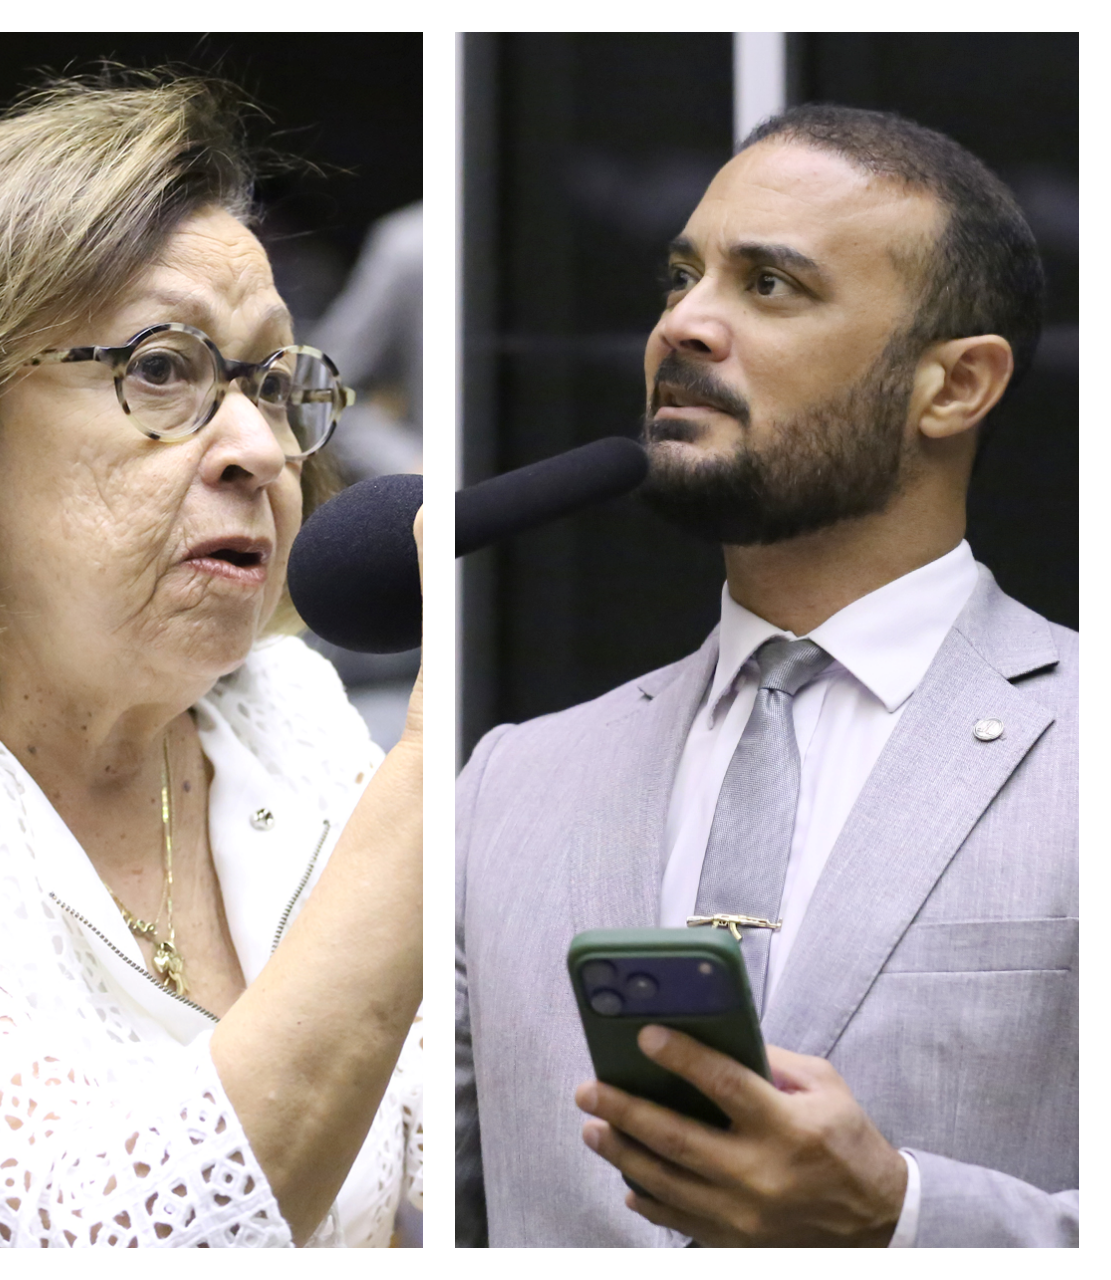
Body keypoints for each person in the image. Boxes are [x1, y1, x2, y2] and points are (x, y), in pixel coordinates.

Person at [0, 73, 424, 1248]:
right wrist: (427, 774)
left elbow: (429, 1189)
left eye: (275, 383)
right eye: (160, 370)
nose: (257, 448)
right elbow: (102, 1238)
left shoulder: (291, 711)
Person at [455, 104, 1075, 1247]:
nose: (682, 323)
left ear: (952, 386)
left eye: (770, 285)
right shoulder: (509, 779)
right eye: (681, 275)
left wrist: (901, 1216)